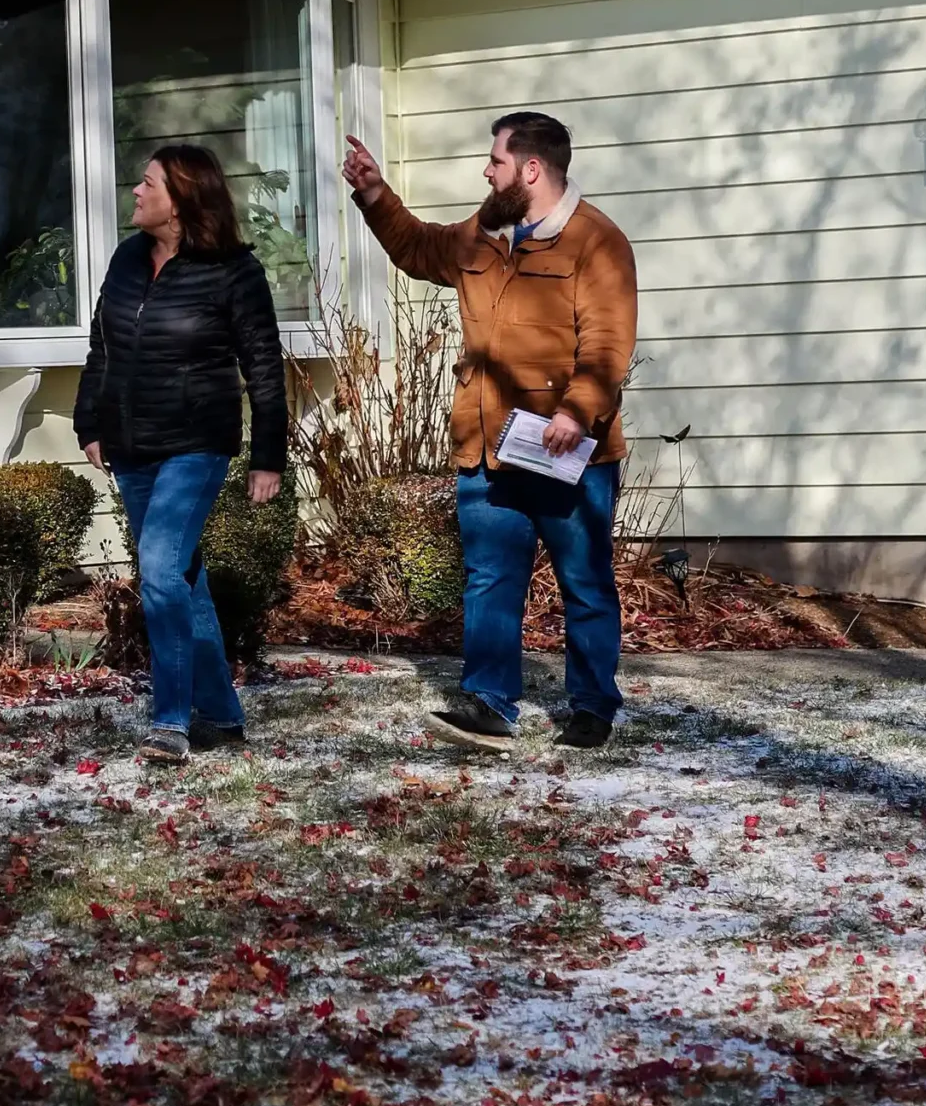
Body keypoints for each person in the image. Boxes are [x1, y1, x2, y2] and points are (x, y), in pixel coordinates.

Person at [342, 111, 637, 752]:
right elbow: (418, 247)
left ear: (531, 169)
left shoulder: (597, 242)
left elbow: (609, 344)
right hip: (486, 447)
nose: (487, 169)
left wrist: (575, 411)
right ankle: (490, 705)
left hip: (568, 453)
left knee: (584, 582)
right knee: (488, 579)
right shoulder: (485, 232)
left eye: (496, 161)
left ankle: (591, 707)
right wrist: (373, 193)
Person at [75, 142, 287, 762]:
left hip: (197, 445)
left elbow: (265, 370)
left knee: (160, 570)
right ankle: (222, 714)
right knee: (183, 582)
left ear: (180, 200)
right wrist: (90, 420)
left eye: (147, 184)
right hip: (132, 444)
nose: (135, 193)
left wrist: (266, 456)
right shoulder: (127, 259)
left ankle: (170, 720)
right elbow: (101, 346)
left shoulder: (234, 272)